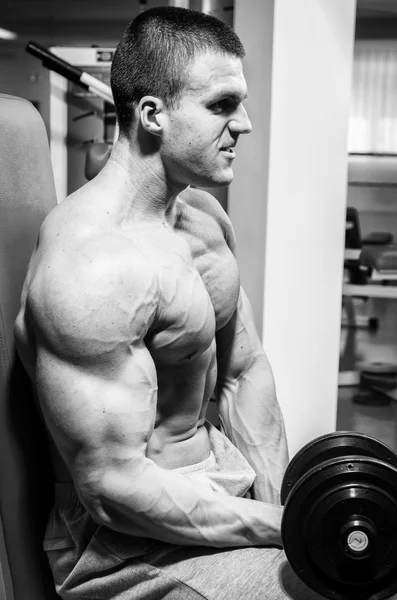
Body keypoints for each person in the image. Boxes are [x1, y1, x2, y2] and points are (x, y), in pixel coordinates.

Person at [15, 7, 323, 600]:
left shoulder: (204, 221)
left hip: (216, 482)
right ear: (153, 115)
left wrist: (281, 511)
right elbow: (112, 487)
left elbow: (242, 371)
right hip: (122, 547)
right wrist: (289, 529)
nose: (247, 124)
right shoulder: (93, 268)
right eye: (222, 105)